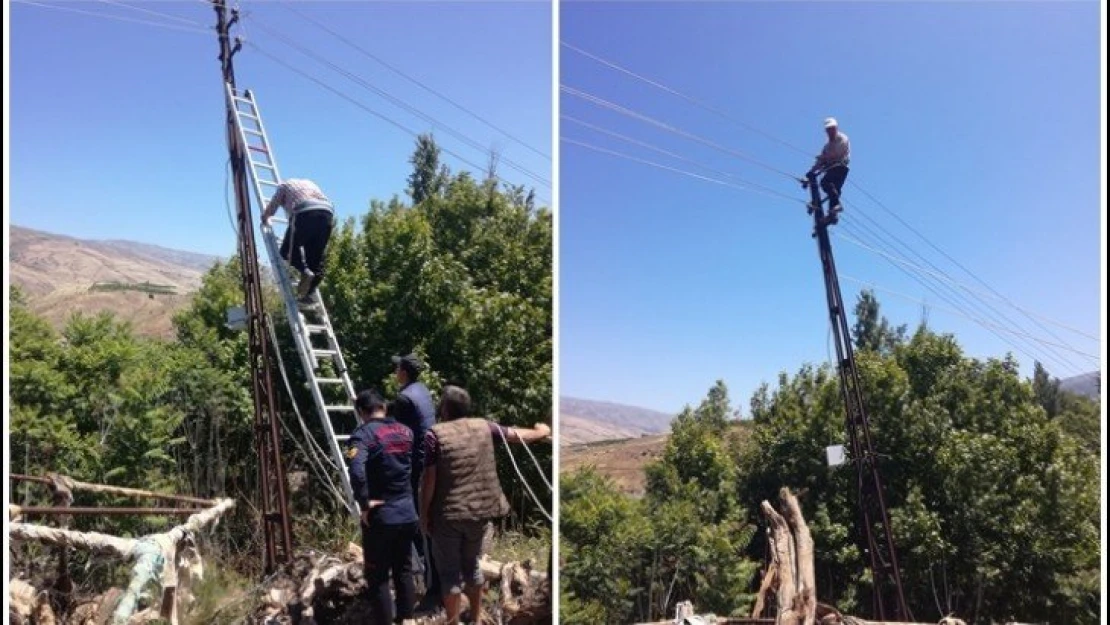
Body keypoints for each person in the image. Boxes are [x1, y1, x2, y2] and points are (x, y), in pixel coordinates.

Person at [419, 385, 551, 625]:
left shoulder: (434, 435)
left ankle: (453, 622)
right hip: (480, 512)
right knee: (473, 567)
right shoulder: (484, 427)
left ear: (444, 408)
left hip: (447, 515)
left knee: (449, 574)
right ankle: (477, 619)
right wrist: (542, 431)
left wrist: (424, 514)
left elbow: (429, 479)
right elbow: (517, 436)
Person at [346, 389, 418, 624]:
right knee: (403, 570)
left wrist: (364, 502)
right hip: (408, 513)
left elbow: (356, 471)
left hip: (382, 515)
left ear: (362, 412)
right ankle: (407, 619)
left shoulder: (363, 435)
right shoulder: (406, 432)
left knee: (378, 577)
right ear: (383, 408)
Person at [390, 353, 440, 611]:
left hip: (416, 464)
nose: (394, 371)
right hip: (429, 458)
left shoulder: (404, 397)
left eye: (397, 368)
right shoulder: (422, 390)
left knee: (417, 518)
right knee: (425, 515)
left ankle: (429, 582)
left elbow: (397, 432)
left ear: (404, 372)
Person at [259, 178, 335, 303]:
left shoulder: (283, 186)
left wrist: (264, 217)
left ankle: (305, 271)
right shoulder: (310, 183)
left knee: (286, 251)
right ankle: (308, 294)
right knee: (315, 260)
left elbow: (272, 206)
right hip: (327, 215)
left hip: (306, 213)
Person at [803, 117, 851, 218]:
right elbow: (820, 162)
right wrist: (810, 173)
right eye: (828, 129)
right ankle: (832, 215)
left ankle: (837, 206)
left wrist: (824, 158)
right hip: (832, 168)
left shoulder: (842, 138)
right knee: (833, 190)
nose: (831, 131)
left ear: (836, 128)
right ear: (826, 131)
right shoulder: (827, 146)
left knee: (825, 183)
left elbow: (838, 153)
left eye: (832, 128)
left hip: (840, 167)